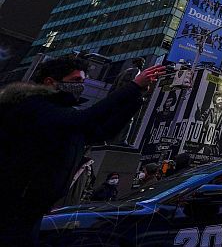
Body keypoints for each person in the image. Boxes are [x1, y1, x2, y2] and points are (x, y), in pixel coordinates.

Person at [0, 57, 164, 245]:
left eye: (83, 81)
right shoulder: (33, 106)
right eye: (76, 81)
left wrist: (137, 98)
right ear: (50, 82)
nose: (81, 86)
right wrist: (133, 86)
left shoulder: (62, 113)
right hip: (11, 206)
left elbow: (101, 132)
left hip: (32, 208)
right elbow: (86, 119)